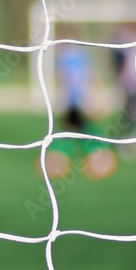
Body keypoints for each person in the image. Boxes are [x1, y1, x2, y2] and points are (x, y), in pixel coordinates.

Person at [42, 34, 117, 181]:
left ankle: (88, 153)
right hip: (75, 100)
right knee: (77, 128)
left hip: (78, 99)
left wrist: (97, 93)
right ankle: (88, 153)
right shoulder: (71, 56)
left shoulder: (73, 56)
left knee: (77, 128)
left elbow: (87, 75)